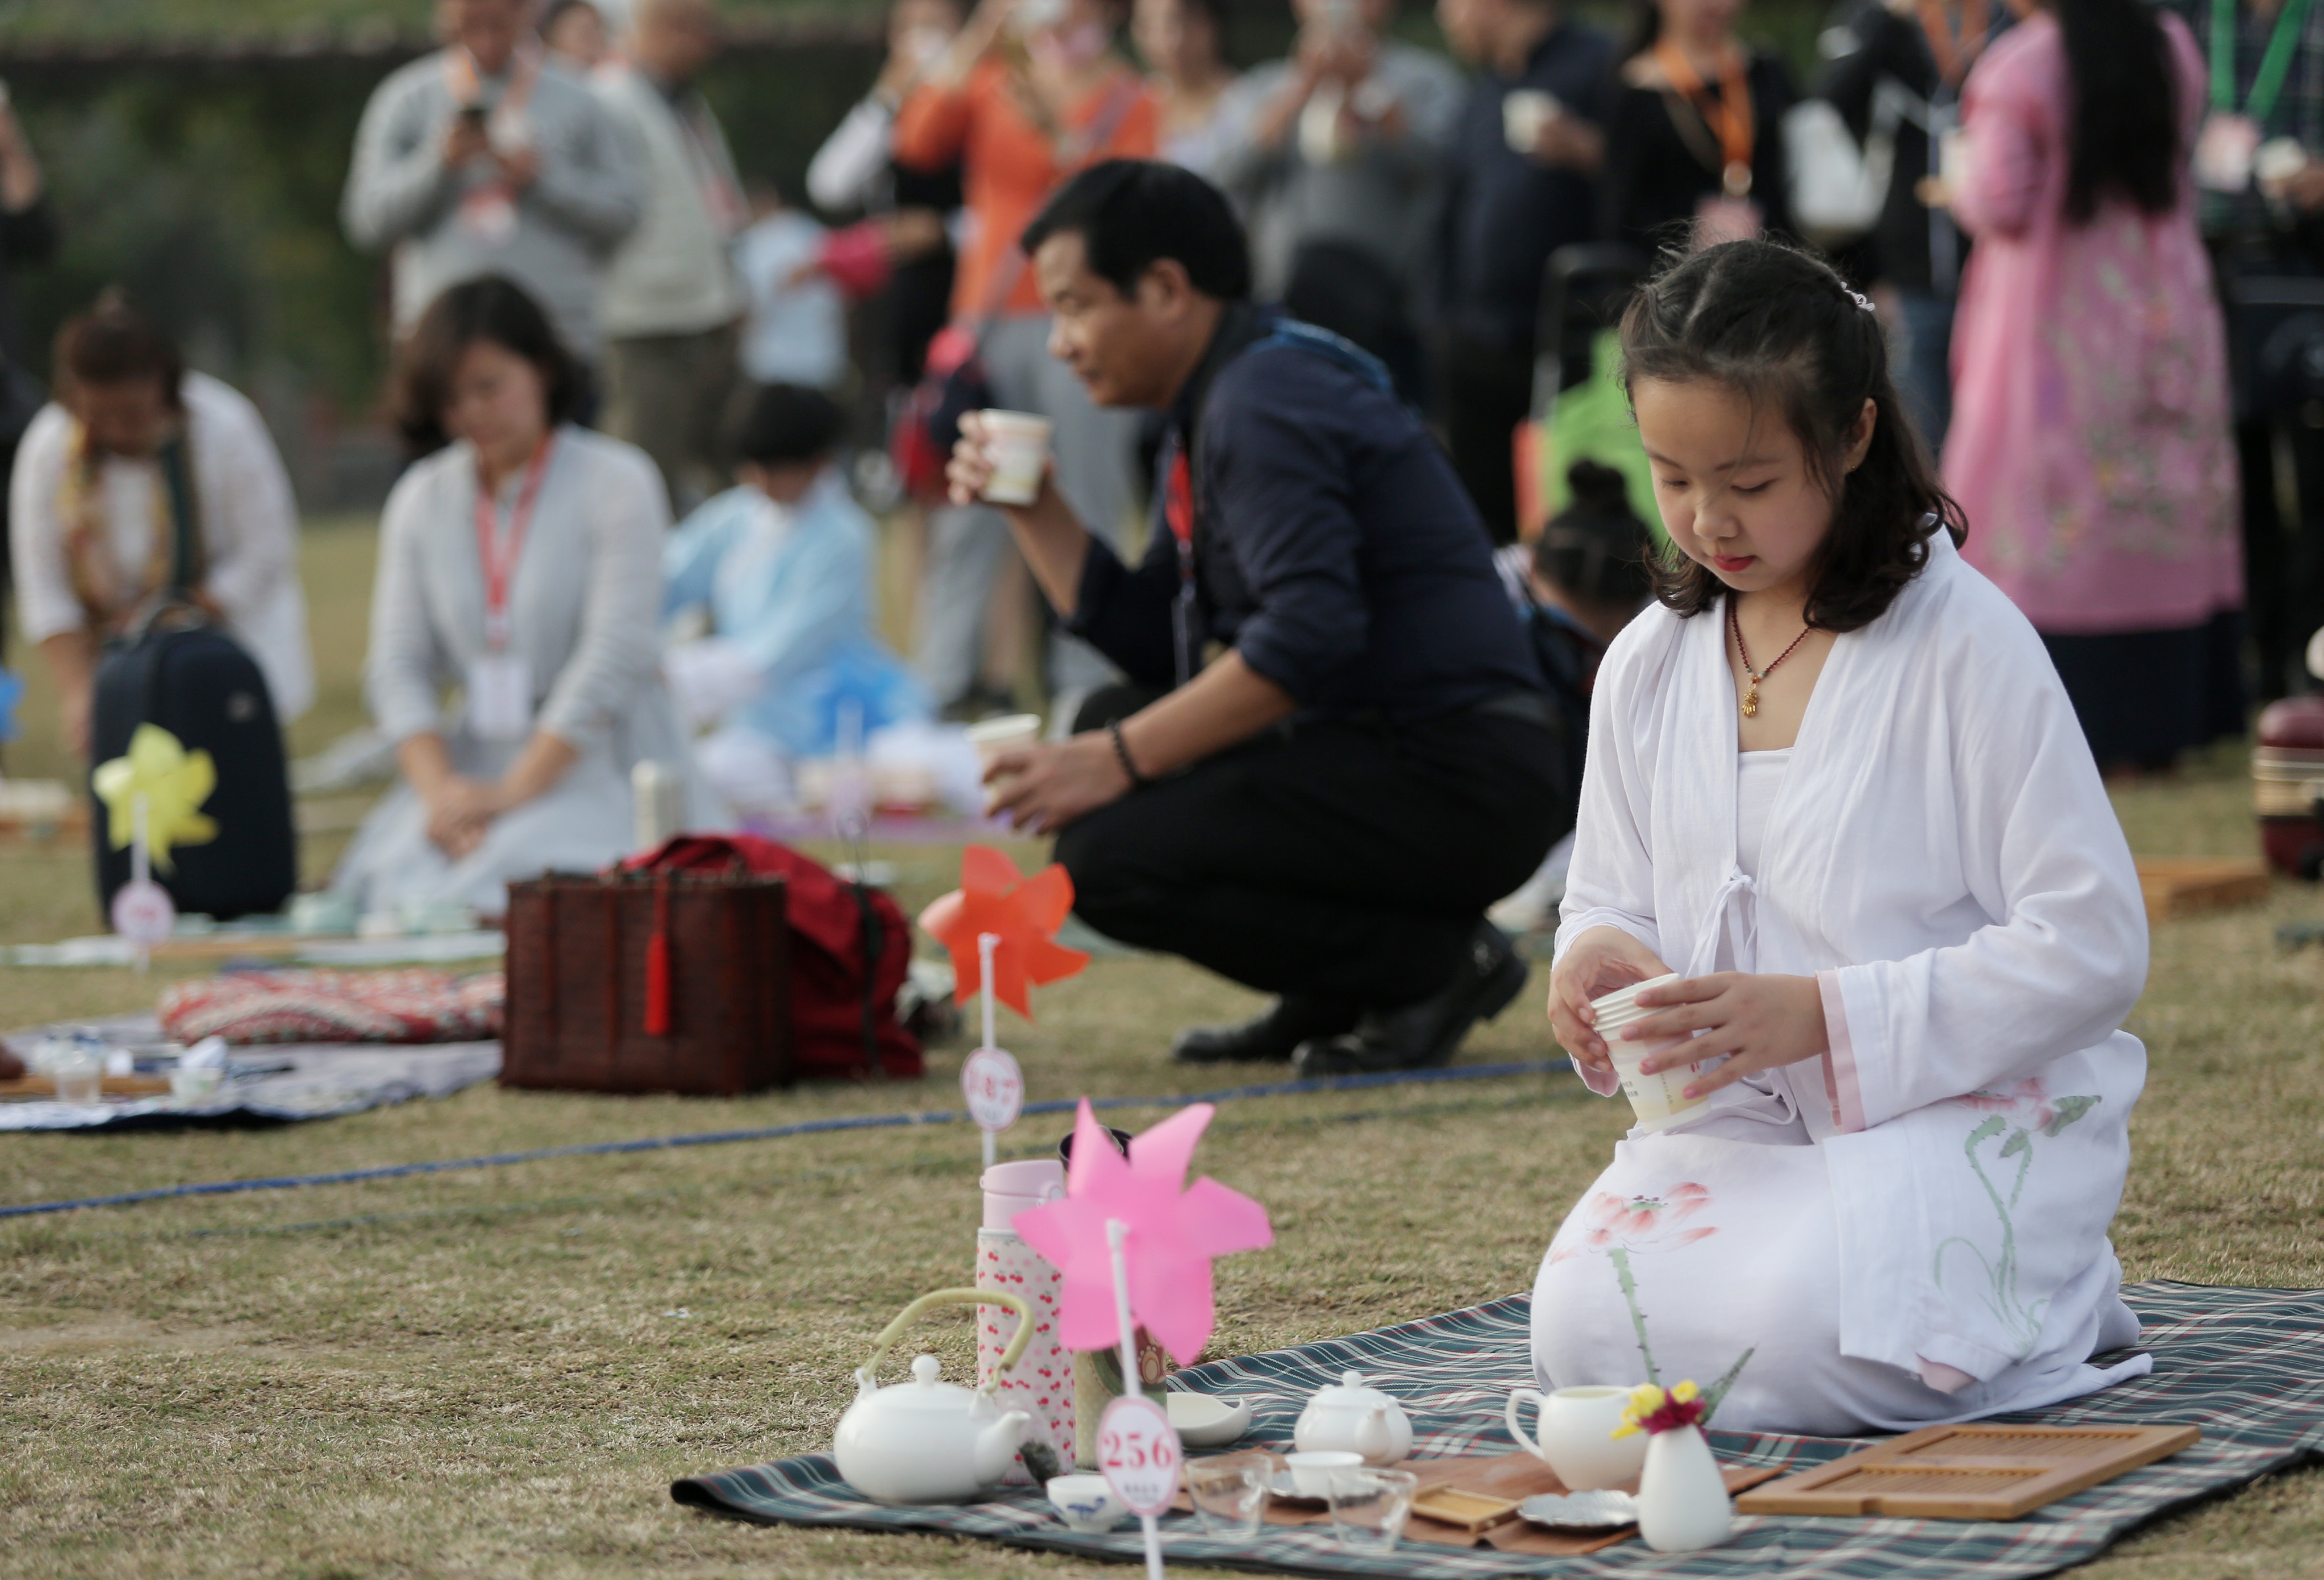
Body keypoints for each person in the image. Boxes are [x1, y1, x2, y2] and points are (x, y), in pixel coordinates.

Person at [1536, 239, 2150, 1436]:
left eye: (1752, 481)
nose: (1708, 519)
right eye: (1672, 476)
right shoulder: (1649, 667)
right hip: (1736, 1132)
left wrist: (1821, 1016)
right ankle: (1958, 1317)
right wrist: (1596, 959)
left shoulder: (1968, 647)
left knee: (1817, 1348)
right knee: (1585, 1340)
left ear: (1855, 435)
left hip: (1956, 1117)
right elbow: (1606, 893)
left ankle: (2058, 1294)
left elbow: (2091, 948)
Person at [954, 161, 1562, 1072]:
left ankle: (1430, 969)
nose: (1059, 343)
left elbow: (1309, 639)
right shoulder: (1221, 395)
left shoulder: (1264, 400)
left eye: (1075, 307)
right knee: (1104, 719)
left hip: (1462, 772)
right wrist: (1031, 507)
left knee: (1108, 851)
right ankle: (1340, 992)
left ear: (1163, 289)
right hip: (1402, 757)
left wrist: (1110, 764)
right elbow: (1152, 637)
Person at [334, 276, 712, 919]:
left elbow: (614, 655)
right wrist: (442, 797)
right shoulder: (422, 498)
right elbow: (398, 665)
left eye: (489, 387)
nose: (472, 414)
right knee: (399, 880)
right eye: (451, 399)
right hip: (472, 763)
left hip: (599, 758)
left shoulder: (618, 481)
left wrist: (514, 791)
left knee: (527, 880)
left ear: (541, 369)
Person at [1943, 0, 2239, 773]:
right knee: (2157, 503)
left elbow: (2000, 199)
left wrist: (1959, 183)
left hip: (2053, 316)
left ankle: (2056, 723)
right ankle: (2165, 726)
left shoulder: (2019, 68)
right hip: (2164, 299)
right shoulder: (2172, 45)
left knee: (2045, 511)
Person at [892, 0, 1158, 717]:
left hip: (1084, 317)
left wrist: (1053, 126)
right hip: (990, 317)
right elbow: (918, 139)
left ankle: (1087, 691)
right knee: (972, 503)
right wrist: (978, 38)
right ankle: (941, 687)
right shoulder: (994, 78)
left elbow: (1121, 201)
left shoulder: (1130, 97)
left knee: (1091, 499)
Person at [9, 295, 314, 756]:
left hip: (229, 640)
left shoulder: (224, 426)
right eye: (98, 414)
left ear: (162, 383)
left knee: (232, 772)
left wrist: (183, 612)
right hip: (110, 660)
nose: (116, 430)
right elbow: (42, 584)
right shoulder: (49, 448)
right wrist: (80, 693)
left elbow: (267, 547)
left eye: (129, 413)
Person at [663, 384, 932, 814]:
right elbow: (669, 578)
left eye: (776, 471)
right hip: (764, 725)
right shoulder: (737, 516)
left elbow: (779, 650)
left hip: (849, 717)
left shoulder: (845, 534)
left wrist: (679, 677)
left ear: (818, 464)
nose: (762, 484)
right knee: (702, 775)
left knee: (909, 775)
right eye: (754, 470)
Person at [342, 0, 643, 367]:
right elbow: (366, 223)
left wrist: (542, 179)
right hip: (442, 348)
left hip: (558, 344)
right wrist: (437, 165)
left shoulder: (581, 98)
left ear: (528, 12)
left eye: (499, 23)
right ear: (446, 15)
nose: (486, 41)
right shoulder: (406, 99)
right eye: (470, 24)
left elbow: (625, 215)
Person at [2171, 0, 2324, 701]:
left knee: (2316, 483)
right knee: (2236, 486)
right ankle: (2257, 661)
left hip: (2306, 271)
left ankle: (2310, 656)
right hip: (2212, 272)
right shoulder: (2198, 20)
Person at [1212, 0, 1465, 395]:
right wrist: (1300, 89)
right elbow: (1226, 177)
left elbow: (1449, 172)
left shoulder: (1427, 79)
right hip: (1284, 307)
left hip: (1397, 315)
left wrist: (1370, 94)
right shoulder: (1264, 86)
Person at [1434, 0, 1615, 546]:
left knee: (1572, 521)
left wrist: (1588, 151)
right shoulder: (1483, 88)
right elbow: (1452, 207)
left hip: (1575, 345)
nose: (1448, 18)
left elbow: (1649, 183)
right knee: (1481, 525)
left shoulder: (1602, 65)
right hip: (1477, 342)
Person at [1815, 0, 2007, 452]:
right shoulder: (1877, 21)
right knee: (1919, 433)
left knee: (1992, 436)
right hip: (1907, 275)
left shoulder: (2005, 17)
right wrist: (1886, 18)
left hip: (1995, 276)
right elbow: (1831, 98)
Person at [594, 0, 749, 513]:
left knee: (735, 472)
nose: (694, 39)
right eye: (677, 25)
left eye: (702, 26)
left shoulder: (685, 103)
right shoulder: (610, 99)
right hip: (645, 325)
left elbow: (717, 204)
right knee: (642, 480)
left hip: (707, 314)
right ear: (638, 29)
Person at [1489, 459, 1655, 934]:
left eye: (1599, 641)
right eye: (1568, 634)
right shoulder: (1488, 594)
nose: (1582, 655)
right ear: (1531, 566)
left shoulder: (1663, 627)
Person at [804, 0, 968, 396]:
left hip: (973, 301)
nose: (919, 41)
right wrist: (886, 99)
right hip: (904, 311)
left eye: (933, 27)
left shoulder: (986, 100)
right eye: (907, 29)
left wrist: (944, 231)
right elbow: (829, 185)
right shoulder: (889, 115)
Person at [1600, 0, 1797, 253]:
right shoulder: (1635, 90)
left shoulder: (1766, 72)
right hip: (1673, 273)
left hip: (1772, 262)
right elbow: (1621, 210)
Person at [733, 184, 850, 394]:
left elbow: (750, 299)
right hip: (816, 359)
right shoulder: (815, 233)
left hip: (776, 362)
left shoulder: (757, 241)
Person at [1134, 0, 1250, 179]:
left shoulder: (1247, 105)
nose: (1162, 39)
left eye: (1175, 22)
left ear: (1209, 23)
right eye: (1147, 25)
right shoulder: (1136, 100)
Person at [543, 0, 616, 74]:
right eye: (584, 33)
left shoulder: (606, 76)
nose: (596, 39)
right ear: (553, 35)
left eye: (599, 29)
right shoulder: (539, 77)